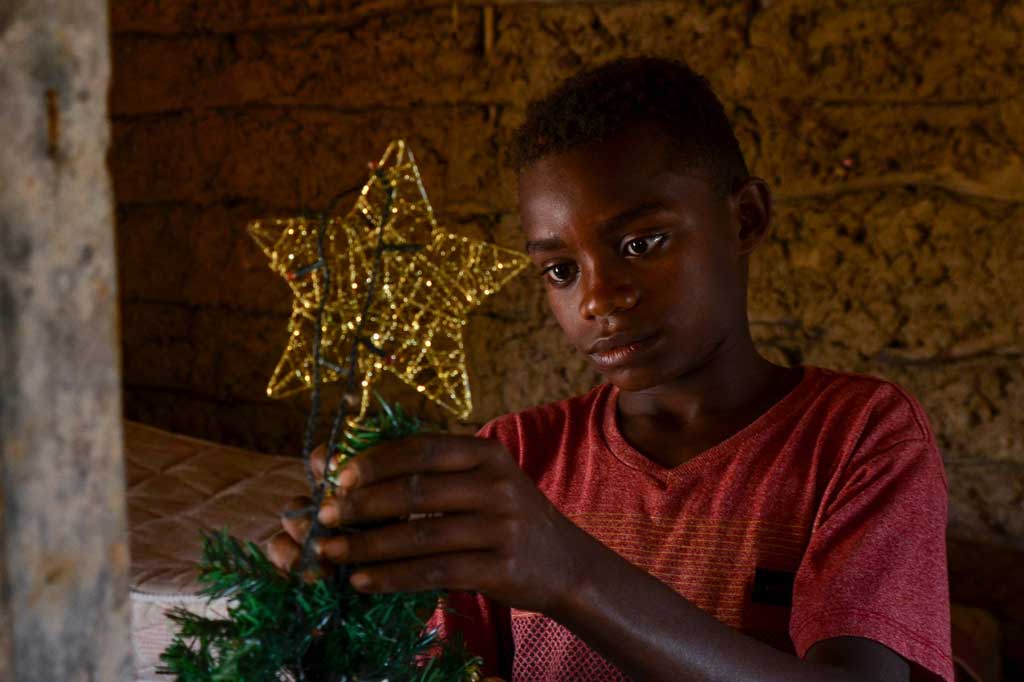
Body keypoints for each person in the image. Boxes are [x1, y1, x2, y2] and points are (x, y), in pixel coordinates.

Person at [268, 57, 953, 682]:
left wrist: (571, 575)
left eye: (641, 242)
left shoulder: (860, 435)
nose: (596, 297)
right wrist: (336, 613)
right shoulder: (514, 458)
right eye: (560, 270)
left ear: (745, 219)